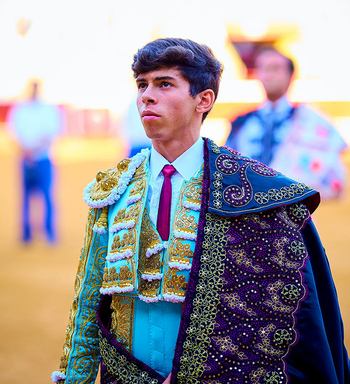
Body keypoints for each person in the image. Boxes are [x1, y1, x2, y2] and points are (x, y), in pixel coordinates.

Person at [52, 38, 350, 384]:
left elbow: (270, 317)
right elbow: (89, 303)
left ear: (203, 99)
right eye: (142, 85)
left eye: (164, 84)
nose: (147, 96)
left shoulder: (256, 195)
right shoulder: (113, 189)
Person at [225, 48, 347, 200]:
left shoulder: (311, 121)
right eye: (262, 68)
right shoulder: (241, 123)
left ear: (291, 75)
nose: (267, 74)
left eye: (275, 68)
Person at [7, 81, 61, 243]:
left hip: (43, 157)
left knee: (46, 196)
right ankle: (26, 234)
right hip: (26, 158)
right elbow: (13, 133)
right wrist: (26, 150)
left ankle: (49, 232)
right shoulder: (20, 110)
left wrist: (33, 149)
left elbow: (52, 134)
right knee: (26, 197)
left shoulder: (48, 110)